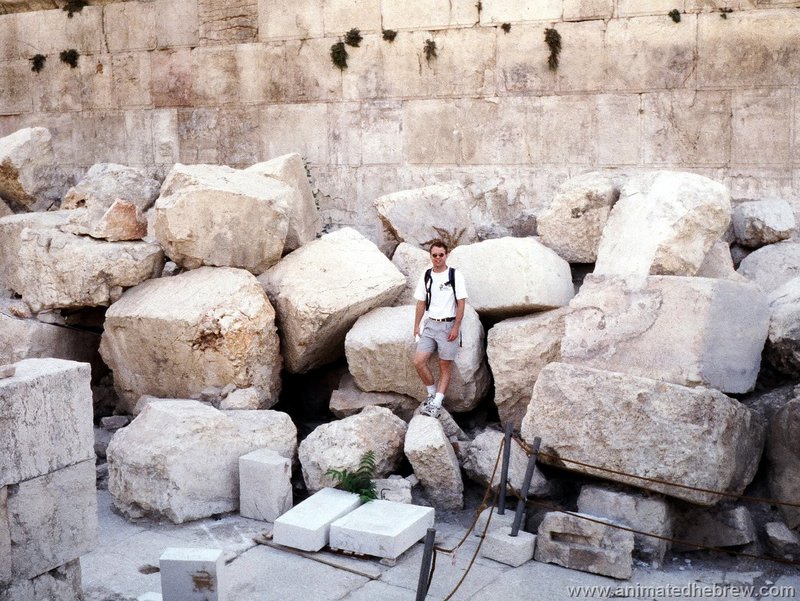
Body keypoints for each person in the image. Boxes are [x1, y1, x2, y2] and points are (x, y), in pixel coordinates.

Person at [412, 239, 468, 418]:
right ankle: (431, 394)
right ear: (431, 256)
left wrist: (456, 327)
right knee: (419, 361)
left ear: (446, 255)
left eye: (441, 255)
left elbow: (461, 302)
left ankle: (437, 402)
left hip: (448, 325)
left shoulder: (454, 275)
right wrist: (416, 325)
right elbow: (421, 302)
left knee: (445, 365)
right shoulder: (427, 275)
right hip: (430, 324)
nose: (437, 258)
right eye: (434, 255)